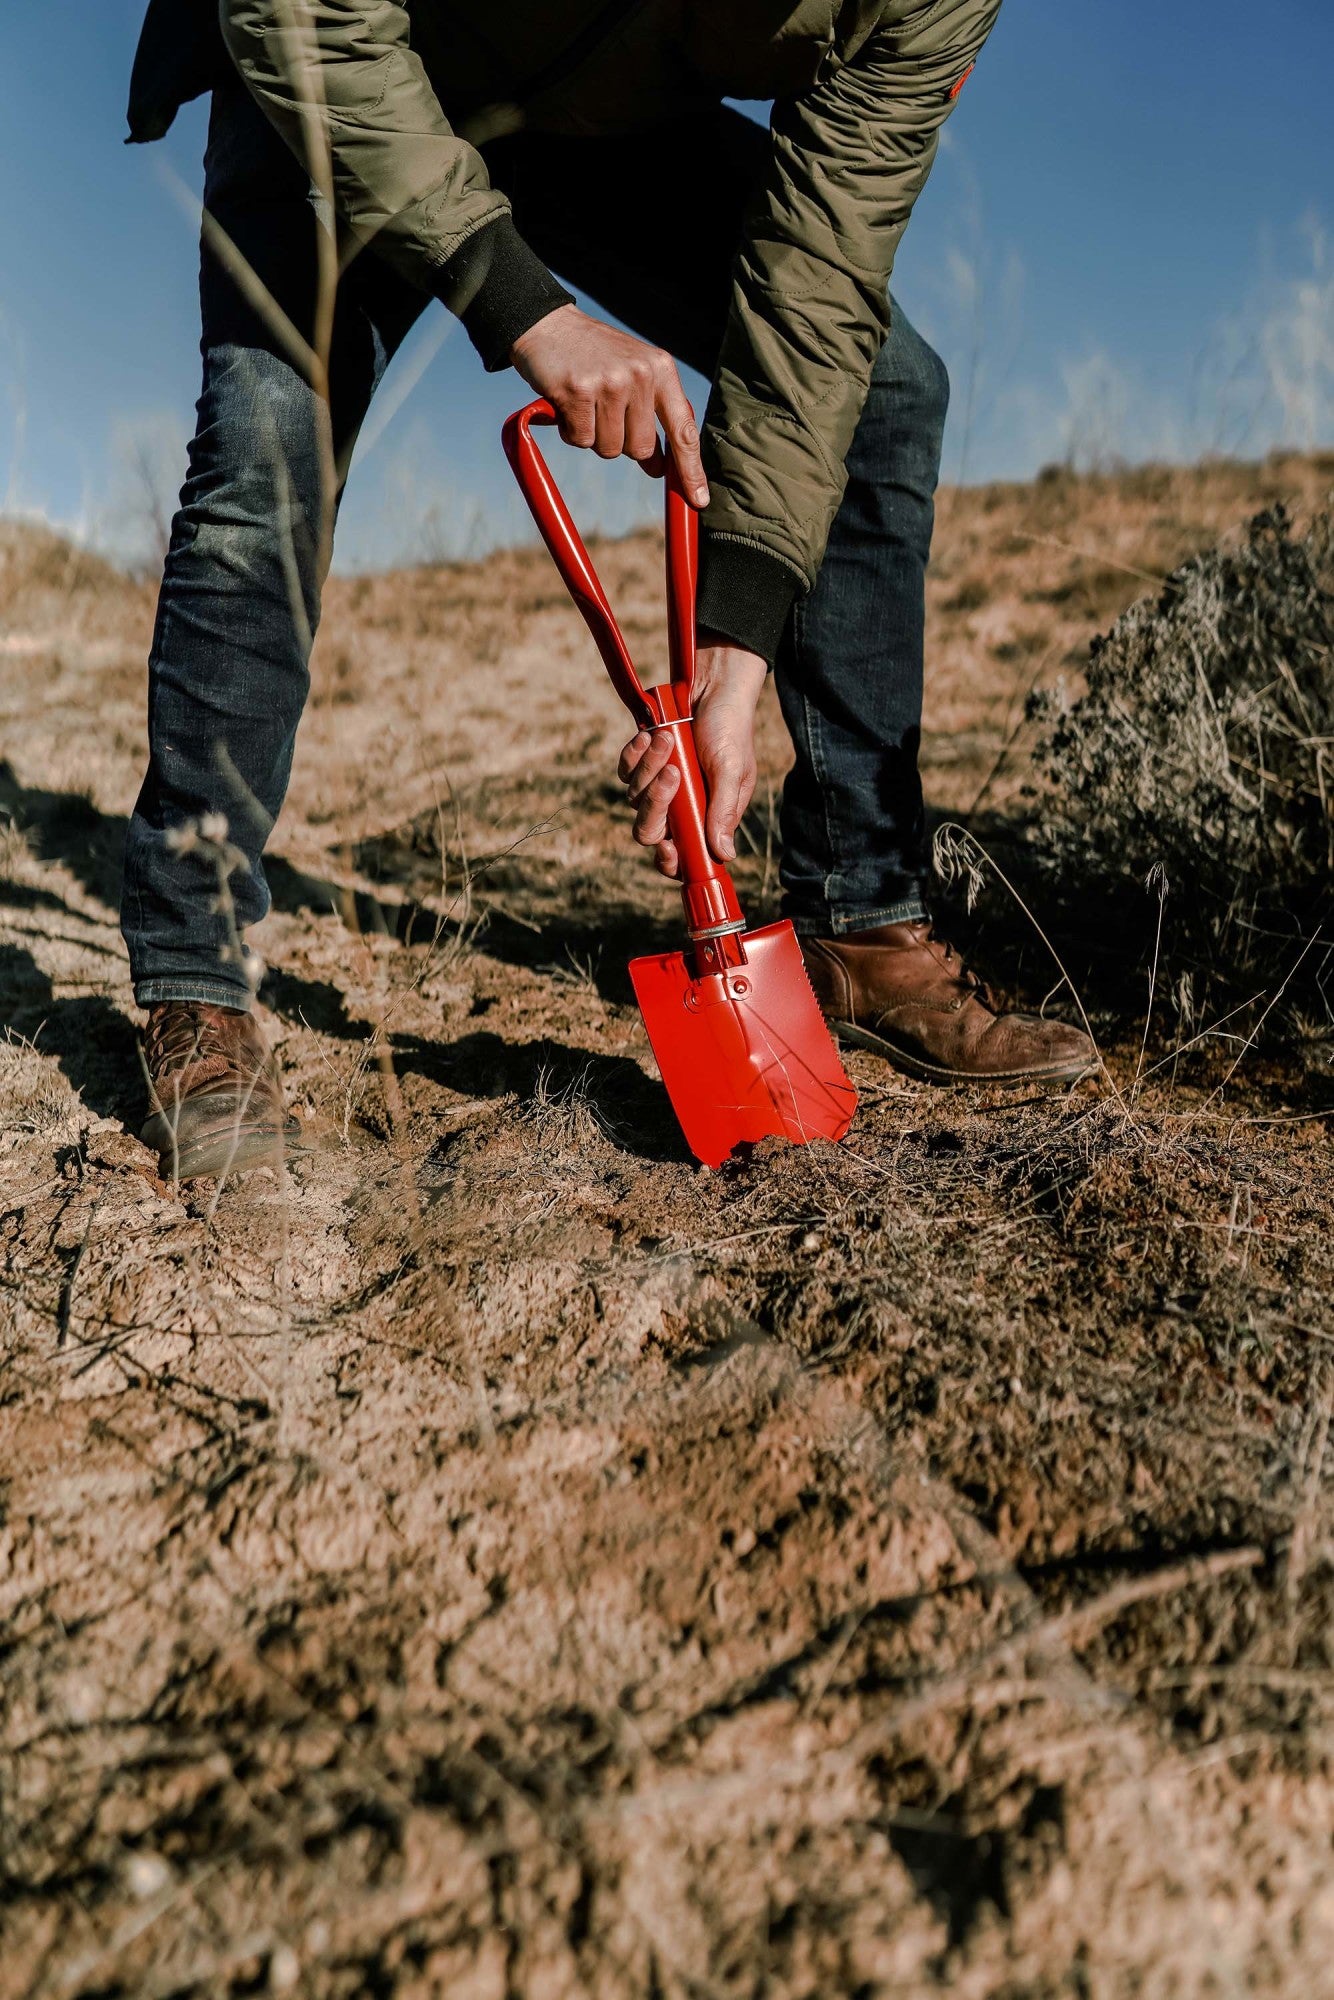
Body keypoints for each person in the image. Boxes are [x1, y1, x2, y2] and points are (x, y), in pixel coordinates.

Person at [124, 0, 1094, 1179]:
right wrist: (521, 305)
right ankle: (196, 982)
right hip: (344, 64)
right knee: (270, 447)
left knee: (881, 395)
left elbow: (817, 294)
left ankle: (860, 927)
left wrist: (734, 652)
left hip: (593, 118)